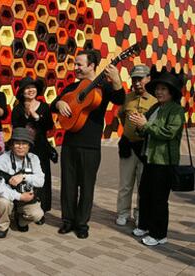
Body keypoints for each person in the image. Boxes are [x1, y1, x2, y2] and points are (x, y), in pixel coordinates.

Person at [51, 49, 125, 239]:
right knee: (68, 185)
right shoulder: (72, 87)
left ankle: (81, 223)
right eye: (75, 64)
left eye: (79, 64)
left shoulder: (105, 88)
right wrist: (59, 104)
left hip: (91, 146)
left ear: (92, 66)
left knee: (87, 186)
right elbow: (54, 104)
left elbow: (120, 99)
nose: (75, 68)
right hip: (69, 144)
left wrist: (116, 80)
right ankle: (67, 220)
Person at [129, 69, 185, 246]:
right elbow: (144, 128)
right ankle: (144, 225)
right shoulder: (155, 107)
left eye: (164, 89)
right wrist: (138, 122)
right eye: (158, 89)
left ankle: (159, 234)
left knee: (159, 199)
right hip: (149, 158)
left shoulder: (176, 110)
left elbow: (168, 133)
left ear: (171, 92)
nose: (159, 92)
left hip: (164, 161)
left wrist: (145, 125)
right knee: (145, 194)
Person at [116, 65, 157, 226]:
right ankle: (123, 212)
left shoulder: (155, 100)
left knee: (143, 184)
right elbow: (121, 117)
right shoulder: (127, 98)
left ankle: (140, 213)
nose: (137, 83)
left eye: (140, 79)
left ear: (148, 78)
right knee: (125, 183)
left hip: (145, 147)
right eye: (134, 79)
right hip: (127, 145)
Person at [12, 76, 54, 223]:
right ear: (22, 92)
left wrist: (35, 115)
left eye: (33, 87)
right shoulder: (17, 108)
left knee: (42, 177)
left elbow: (49, 126)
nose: (30, 90)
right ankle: (23, 207)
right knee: (24, 176)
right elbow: (15, 127)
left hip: (41, 147)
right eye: (26, 88)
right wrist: (25, 113)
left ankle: (41, 211)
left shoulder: (44, 106)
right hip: (24, 149)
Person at [0, 127, 44, 238]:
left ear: (29, 146)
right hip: (6, 197)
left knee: (37, 214)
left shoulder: (34, 159)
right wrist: (19, 196)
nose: (20, 146)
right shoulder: (2, 160)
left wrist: (24, 177)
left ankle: (21, 221)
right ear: (12, 145)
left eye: (24, 144)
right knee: (3, 203)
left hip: (26, 197)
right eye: (17, 143)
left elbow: (40, 181)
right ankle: (2, 226)